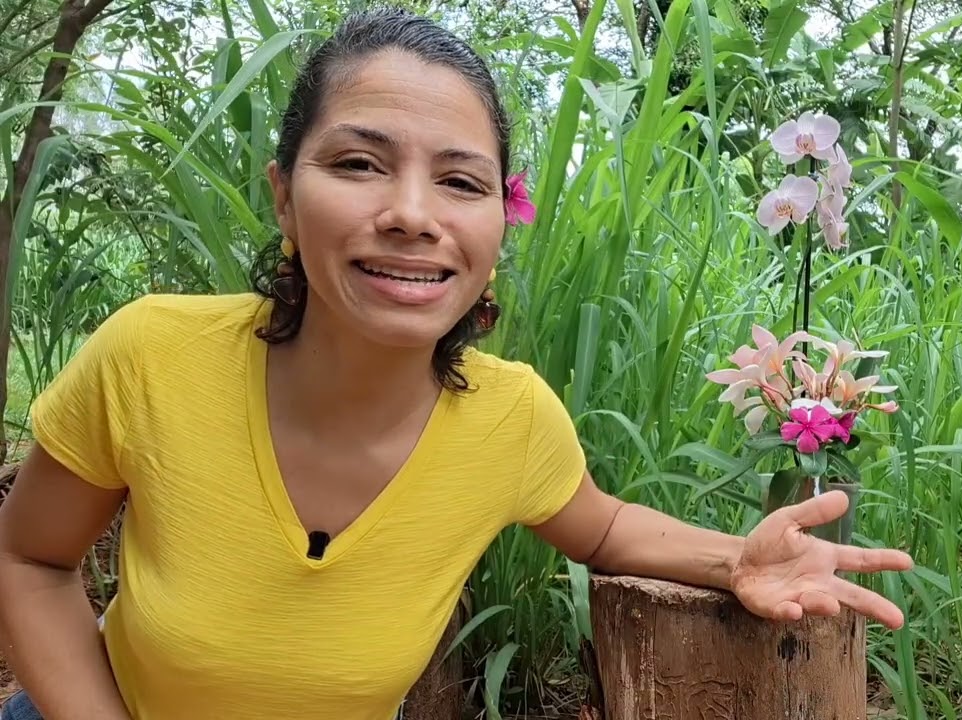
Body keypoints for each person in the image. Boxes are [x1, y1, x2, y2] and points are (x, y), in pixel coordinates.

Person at [0, 9, 913, 720]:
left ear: (495, 226)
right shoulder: (153, 357)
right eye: (359, 162)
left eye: (462, 181)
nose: (412, 213)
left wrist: (735, 561)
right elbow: (30, 559)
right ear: (284, 195)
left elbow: (601, 529)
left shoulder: (507, 419)